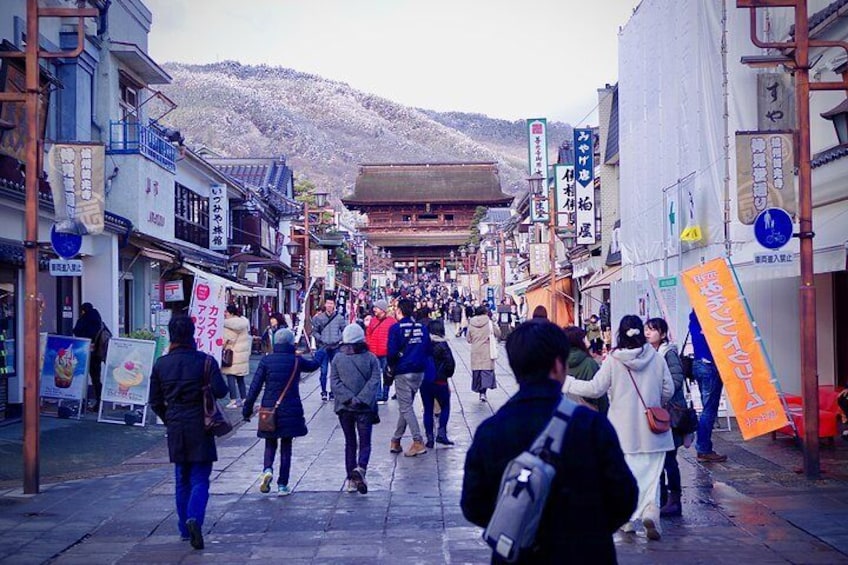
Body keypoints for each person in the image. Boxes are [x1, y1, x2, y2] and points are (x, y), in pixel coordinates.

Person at [461, 320, 638, 564]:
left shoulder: (490, 431)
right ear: (558, 365)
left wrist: (519, 523)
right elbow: (624, 496)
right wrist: (591, 530)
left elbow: (473, 505)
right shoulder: (591, 426)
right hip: (586, 554)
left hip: (517, 555)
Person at [563, 315, 674, 541]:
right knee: (652, 478)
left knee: (627, 477)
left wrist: (567, 382)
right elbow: (668, 390)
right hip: (654, 431)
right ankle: (651, 511)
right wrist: (654, 401)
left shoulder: (613, 360)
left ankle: (627, 520)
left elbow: (595, 389)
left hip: (623, 433)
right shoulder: (656, 357)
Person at [149, 315, 229, 550]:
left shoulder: (161, 364)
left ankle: (185, 528)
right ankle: (195, 517)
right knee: (200, 478)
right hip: (201, 427)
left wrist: (169, 417)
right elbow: (221, 391)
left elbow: (155, 401)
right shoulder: (205, 361)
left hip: (176, 426)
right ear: (192, 333)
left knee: (181, 479)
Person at [242, 329, 324, 496]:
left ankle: (267, 469)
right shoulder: (296, 360)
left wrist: (247, 410)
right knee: (286, 445)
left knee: (270, 442)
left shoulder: (266, 360)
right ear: (290, 343)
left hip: (269, 409)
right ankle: (282, 485)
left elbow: (255, 387)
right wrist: (322, 351)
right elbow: (313, 365)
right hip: (290, 408)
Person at [330, 323, 381, 494]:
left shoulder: (337, 358)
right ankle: (361, 468)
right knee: (365, 442)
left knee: (350, 442)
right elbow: (375, 381)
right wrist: (361, 399)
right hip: (364, 408)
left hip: (345, 408)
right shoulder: (371, 358)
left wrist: (348, 399)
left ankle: (351, 480)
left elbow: (335, 383)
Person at [645, 317, 687, 517]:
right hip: (659, 413)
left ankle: (674, 500)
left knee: (669, 457)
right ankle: (662, 499)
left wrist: (660, 392)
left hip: (670, 413)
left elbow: (676, 379)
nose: (648, 333)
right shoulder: (650, 353)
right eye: (646, 329)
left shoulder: (668, 353)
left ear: (662, 334)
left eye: (653, 330)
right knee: (659, 458)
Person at [387, 298, 431, 457]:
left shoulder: (396, 328)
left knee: (405, 407)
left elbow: (391, 353)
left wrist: (392, 365)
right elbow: (428, 349)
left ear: (400, 310)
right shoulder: (422, 327)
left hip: (403, 371)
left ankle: (418, 441)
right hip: (419, 371)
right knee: (407, 407)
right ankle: (396, 440)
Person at [688, 310, 728, 463]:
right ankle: (704, 448)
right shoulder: (709, 318)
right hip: (710, 365)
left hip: (699, 364)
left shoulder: (693, 319)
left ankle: (704, 447)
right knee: (709, 410)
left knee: (707, 408)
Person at [421, 319, 456, 449]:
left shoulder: (424, 345)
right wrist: (446, 375)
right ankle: (441, 433)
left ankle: (429, 437)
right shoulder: (443, 345)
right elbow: (450, 364)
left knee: (428, 409)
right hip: (440, 382)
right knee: (445, 406)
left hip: (425, 382)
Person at [562, 326, 608, 414]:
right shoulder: (590, 364)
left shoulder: (558, 364)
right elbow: (601, 398)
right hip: (588, 416)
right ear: (580, 341)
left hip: (565, 416)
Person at [72, 303, 109, 411]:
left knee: (79, 376)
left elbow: (77, 331)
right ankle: (99, 401)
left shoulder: (84, 320)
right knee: (95, 378)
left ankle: (80, 401)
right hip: (97, 354)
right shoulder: (98, 321)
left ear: (83, 310)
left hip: (83, 352)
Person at [312, 298, 346, 402]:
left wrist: (339, 339)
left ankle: (333, 392)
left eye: (331, 303)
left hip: (335, 347)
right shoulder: (319, 318)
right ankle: (323, 392)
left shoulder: (339, 318)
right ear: (325, 304)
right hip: (323, 348)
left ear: (334, 305)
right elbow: (314, 331)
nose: (330, 305)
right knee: (323, 371)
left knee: (335, 372)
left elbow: (344, 330)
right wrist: (320, 338)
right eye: (328, 303)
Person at [365, 298, 396, 404]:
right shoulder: (373, 320)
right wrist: (368, 344)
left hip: (386, 353)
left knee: (387, 375)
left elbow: (395, 336)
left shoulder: (392, 321)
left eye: (376, 308)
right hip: (373, 352)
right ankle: (378, 395)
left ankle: (385, 395)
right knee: (376, 374)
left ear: (382, 310)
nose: (374, 310)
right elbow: (368, 333)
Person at [467, 305, 500, 402]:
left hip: (476, 350)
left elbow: (468, 339)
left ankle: (480, 391)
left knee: (477, 372)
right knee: (486, 372)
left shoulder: (471, 323)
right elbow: (498, 333)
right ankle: (483, 393)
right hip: (487, 350)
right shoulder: (489, 322)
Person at [221, 305, 251, 408]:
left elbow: (227, 340)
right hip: (241, 356)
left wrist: (221, 347)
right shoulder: (242, 323)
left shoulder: (229, 325)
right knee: (240, 378)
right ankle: (244, 399)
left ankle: (233, 400)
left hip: (232, 356)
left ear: (231, 313)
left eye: (226, 312)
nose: (225, 314)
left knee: (230, 377)